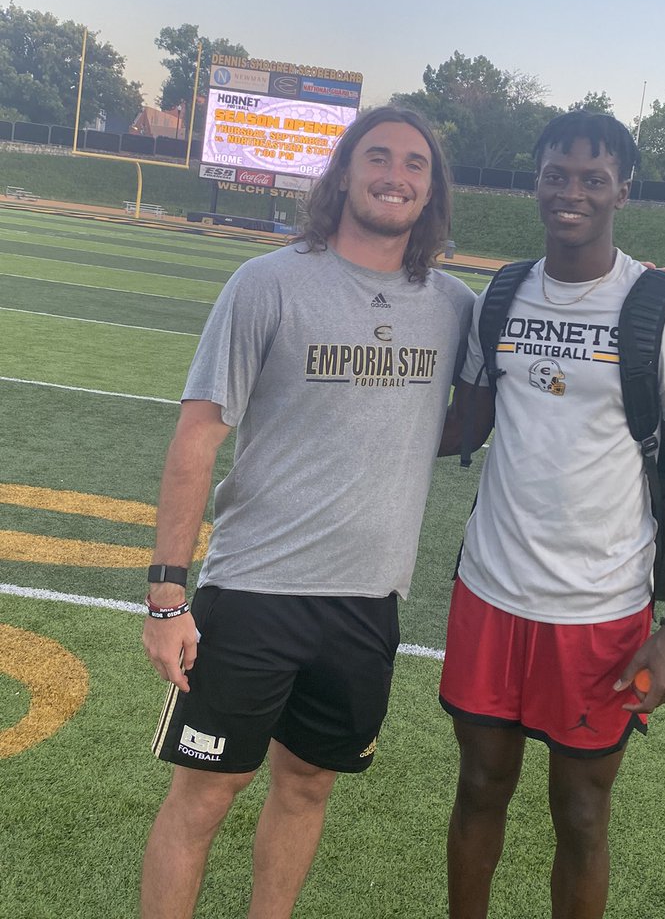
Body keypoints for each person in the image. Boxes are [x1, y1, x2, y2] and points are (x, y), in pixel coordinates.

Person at [140, 106, 474, 919]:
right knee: (205, 799)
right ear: (345, 174)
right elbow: (196, 439)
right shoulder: (270, 281)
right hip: (254, 591)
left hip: (367, 600)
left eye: (415, 165)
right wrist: (166, 595)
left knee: (308, 787)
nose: (396, 175)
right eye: (379, 157)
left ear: (431, 192)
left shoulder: (456, 305)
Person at [438, 111, 665, 919]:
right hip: (491, 592)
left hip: (602, 612)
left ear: (621, 192)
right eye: (557, 174)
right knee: (479, 787)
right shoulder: (502, 295)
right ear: (536, 181)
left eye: (593, 179)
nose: (572, 192)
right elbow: (467, 423)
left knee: (583, 814)